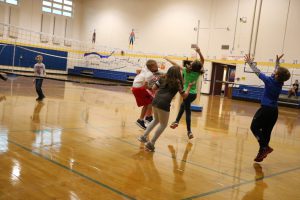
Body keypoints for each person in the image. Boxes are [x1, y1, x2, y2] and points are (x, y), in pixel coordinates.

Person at [244, 54, 290, 162]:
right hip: (274, 111)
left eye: (275, 72)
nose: (274, 72)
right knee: (266, 132)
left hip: (266, 109)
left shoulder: (270, 81)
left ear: (277, 76)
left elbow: (257, 72)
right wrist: (277, 62)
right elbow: (278, 71)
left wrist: (250, 62)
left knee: (254, 127)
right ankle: (261, 153)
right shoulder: (280, 82)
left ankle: (265, 147)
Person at [137, 66, 194, 152]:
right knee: (163, 124)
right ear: (178, 74)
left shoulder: (162, 78)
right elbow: (184, 96)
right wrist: (189, 87)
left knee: (156, 120)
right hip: (164, 103)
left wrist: (147, 85)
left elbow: (153, 88)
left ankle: (143, 136)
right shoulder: (177, 82)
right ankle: (151, 143)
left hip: (155, 101)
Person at [165, 44, 205, 139]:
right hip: (194, 94)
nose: (190, 63)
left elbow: (175, 64)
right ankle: (176, 121)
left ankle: (189, 131)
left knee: (188, 112)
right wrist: (199, 52)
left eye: (192, 63)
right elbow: (203, 61)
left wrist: (167, 59)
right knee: (183, 105)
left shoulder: (185, 71)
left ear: (191, 66)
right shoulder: (198, 73)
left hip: (186, 93)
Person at [132, 60, 159, 129]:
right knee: (148, 102)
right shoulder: (149, 74)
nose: (157, 66)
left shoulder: (146, 68)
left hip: (136, 87)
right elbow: (147, 86)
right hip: (139, 88)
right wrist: (152, 89)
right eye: (156, 65)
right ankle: (141, 119)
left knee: (150, 100)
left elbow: (138, 70)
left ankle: (148, 117)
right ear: (152, 67)